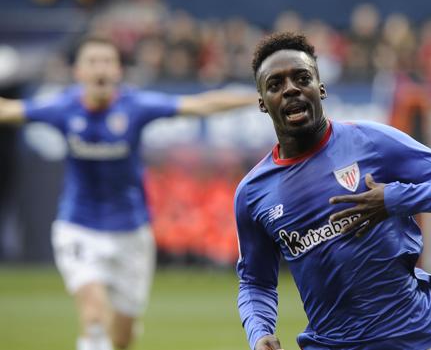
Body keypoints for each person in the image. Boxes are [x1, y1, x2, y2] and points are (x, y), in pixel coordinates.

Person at [234, 32, 431, 350]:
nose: (290, 89)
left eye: (302, 78)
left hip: (423, 338)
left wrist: (393, 199)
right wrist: (259, 333)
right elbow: (255, 282)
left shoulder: (371, 142)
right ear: (263, 102)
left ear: (321, 87)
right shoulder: (253, 192)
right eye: (275, 85)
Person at [0, 36, 255, 350]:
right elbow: (8, 110)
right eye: (92, 62)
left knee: (122, 338)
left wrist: (257, 96)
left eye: (107, 62)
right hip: (79, 227)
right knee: (93, 317)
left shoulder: (135, 106)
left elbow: (201, 105)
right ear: (78, 72)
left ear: (118, 70)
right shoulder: (62, 107)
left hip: (131, 233)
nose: (100, 69)